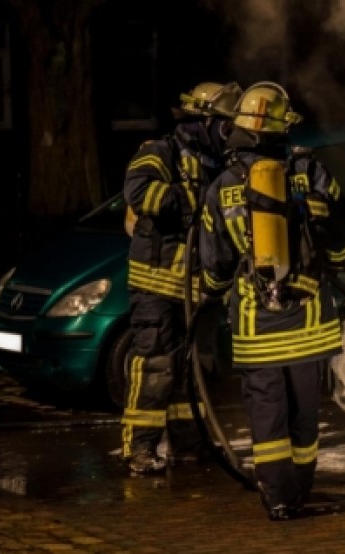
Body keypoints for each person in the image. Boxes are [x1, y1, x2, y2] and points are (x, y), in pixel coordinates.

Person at [198, 81, 345, 520]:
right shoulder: (309, 172)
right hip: (308, 324)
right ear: (280, 130)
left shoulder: (221, 189)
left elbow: (215, 265)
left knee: (268, 419)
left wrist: (209, 297)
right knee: (305, 415)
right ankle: (301, 486)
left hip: (256, 328)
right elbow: (343, 234)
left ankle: (280, 498)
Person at [121, 81, 243, 474]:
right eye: (224, 124)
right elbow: (139, 192)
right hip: (156, 285)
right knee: (157, 367)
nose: (229, 133)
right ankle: (140, 448)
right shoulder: (160, 153)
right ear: (202, 120)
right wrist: (191, 200)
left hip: (200, 289)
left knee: (196, 371)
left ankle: (188, 445)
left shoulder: (223, 167)